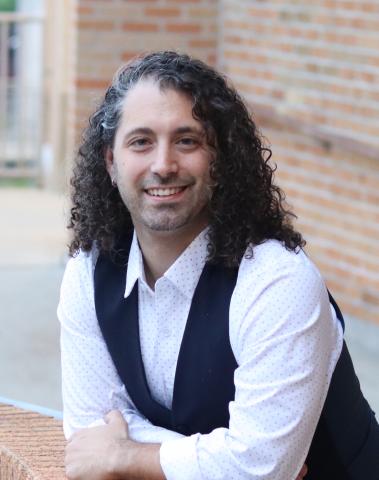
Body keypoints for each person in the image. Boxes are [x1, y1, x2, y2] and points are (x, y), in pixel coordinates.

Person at [59, 51, 379, 480]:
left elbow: (257, 468)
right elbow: (90, 429)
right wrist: (228, 459)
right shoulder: (89, 270)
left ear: (220, 159)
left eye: (187, 140)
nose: (163, 164)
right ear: (111, 162)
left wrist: (124, 456)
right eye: (141, 142)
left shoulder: (277, 280)